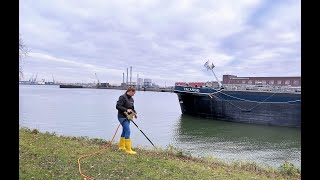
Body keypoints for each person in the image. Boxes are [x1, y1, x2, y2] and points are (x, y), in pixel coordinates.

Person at [116, 87, 138, 154]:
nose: (134, 94)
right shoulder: (122, 97)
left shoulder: (131, 99)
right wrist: (126, 110)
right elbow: (118, 106)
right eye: (133, 93)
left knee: (124, 131)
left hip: (128, 117)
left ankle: (121, 147)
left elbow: (132, 108)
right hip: (122, 117)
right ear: (130, 91)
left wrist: (135, 113)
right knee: (128, 131)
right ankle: (128, 150)